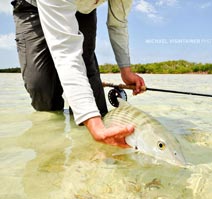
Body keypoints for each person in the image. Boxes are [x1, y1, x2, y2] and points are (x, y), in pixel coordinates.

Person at [11, 0, 145, 148]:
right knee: (40, 87)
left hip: (83, 11)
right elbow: (66, 52)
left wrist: (126, 71)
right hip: (32, 8)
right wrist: (94, 125)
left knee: (90, 87)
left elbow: (117, 23)